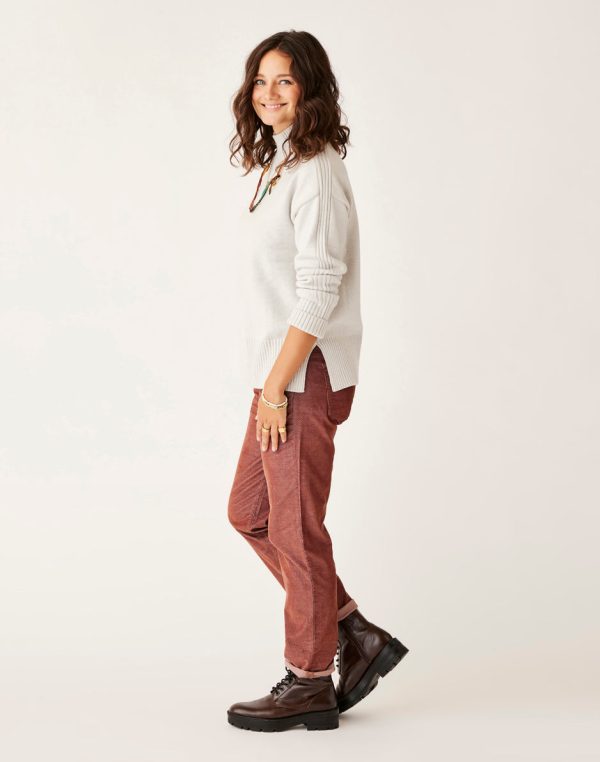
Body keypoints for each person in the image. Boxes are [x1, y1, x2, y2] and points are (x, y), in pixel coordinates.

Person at [226, 30, 409, 732]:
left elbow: (320, 288)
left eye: (284, 80)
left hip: (303, 373)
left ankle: (308, 679)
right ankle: (353, 634)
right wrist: (269, 382)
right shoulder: (279, 163)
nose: (268, 93)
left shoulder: (319, 169)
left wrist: (278, 387)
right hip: (279, 373)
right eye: (260, 80)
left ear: (310, 88)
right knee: (251, 513)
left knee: (295, 529)